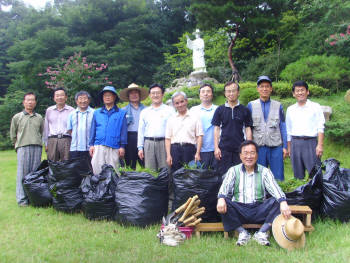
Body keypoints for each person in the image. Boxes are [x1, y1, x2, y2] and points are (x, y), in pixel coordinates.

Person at [217, 140, 291, 246]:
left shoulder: (265, 171)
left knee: (277, 201)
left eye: (252, 153)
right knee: (223, 202)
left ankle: (262, 233)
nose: (249, 156)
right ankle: (242, 233)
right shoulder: (233, 170)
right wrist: (221, 199)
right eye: (246, 153)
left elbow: (275, 189)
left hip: (259, 208)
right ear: (240, 155)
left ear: (257, 155)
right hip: (240, 209)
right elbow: (224, 188)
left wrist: (283, 202)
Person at [247, 76, 288, 181]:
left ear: (271, 89)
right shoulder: (251, 105)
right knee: (258, 176)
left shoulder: (278, 105)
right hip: (258, 147)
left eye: (267, 87)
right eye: (262, 86)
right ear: (258, 89)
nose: (264, 89)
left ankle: (278, 196)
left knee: (278, 176)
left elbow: (282, 126)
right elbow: (248, 128)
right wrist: (249, 146)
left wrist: (285, 147)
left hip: (275, 146)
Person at [286, 80, 325, 179]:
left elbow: (321, 127)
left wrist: (320, 145)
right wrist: (289, 148)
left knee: (315, 174)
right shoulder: (290, 109)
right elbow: (288, 130)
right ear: (293, 94)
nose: (300, 93)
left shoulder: (315, 107)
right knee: (298, 175)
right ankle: (300, 194)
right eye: (297, 91)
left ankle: (317, 194)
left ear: (307, 92)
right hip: (295, 143)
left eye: (302, 90)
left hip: (310, 143)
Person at [212, 81, 253, 176]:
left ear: (238, 92)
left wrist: (249, 147)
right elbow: (216, 129)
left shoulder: (245, 110)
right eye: (228, 91)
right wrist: (216, 148)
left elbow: (248, 129)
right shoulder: (219, 110)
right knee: (223, 175)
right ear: (225, 93)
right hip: (223, 149)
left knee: (241, 175)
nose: (231, 93)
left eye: (233, 91)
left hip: (240, 149)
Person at [10, 92, 44, 206]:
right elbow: (13, 134)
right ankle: (22, 200)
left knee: (34, 174)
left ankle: (33, 198)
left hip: (37, 147)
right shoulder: (17, 117)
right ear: (24, 102)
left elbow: (42, 132)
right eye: (28, 100)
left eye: (32, 100)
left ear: (35, 102)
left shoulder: (39, 117)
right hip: (23, 147)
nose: (30, 102)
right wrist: (17, 145)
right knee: (22, 173)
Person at [89, 86, 127, 175]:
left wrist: (122, 146)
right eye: (105, 95)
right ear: (102, 98)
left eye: (110, 95)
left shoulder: (121, 113)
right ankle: (98, 189)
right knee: (97, 170)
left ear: (114, 97)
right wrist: (91, 145)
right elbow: (93, 129)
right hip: (98, 145)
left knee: (114, 171)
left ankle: (113, 189)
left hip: (114, 146)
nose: (107, 97)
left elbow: (123, 131)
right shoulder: (97, 112)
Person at [137, 84, 175, 171]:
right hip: (149, 143)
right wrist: (140, 147)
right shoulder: (144, 112)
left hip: (164, 143)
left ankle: (166, 185)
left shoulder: (170, 110)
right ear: (149, 95)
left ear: (162, 94)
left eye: (158, 93)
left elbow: (174, 129)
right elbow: (141, 130)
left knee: (166, 170)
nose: (155, 95)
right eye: (153, 93)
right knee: (150, 172)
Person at [165, 91, 203, 173]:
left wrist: (198, 153)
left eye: (182, 101)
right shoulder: (171, 119)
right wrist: (168, 155)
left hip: (190, 149)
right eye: (177, 103)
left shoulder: (195, 117)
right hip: (175, 150)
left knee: (190, 174)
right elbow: (168, 138)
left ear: (186, 101)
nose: (180, 105)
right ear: (174, 105)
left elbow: (199, 136)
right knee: (175, 174)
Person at [120, 83, 148, 169]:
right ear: (128, 96)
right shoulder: (123, 111)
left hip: (143, 137)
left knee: (145, 163)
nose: (134, 95)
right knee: (130, 164)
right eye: (131, 93)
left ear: (139, 95)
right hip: (129, 137)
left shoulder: (146, 109)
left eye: (136, 93)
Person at [190, 83, 218, 169]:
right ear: (199, 95)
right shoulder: (193, 110)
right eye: (203, 92)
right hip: (198, 150)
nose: (205, 94)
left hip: (215, 149)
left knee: (215, 175)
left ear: (212, 94)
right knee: (200, 176)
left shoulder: (218, 109)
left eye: (208, 91)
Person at [43, 87, 74, 161]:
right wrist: (46, 143)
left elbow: (74, 129)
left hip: (67, 140)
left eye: (62, 95)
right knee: (52, 164)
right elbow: (46, 128)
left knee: (67, 164)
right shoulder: (49, 110)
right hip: (52, 140)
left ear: (66, 97)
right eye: (57, 95)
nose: (59, 97)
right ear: (54, 98)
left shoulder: (72, 110)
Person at [67, 91, 94, 161]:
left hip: (90, 148)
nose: (83, 101)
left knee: (90, 170)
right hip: (75, 148)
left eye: (85, 98)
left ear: (89, 100)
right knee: (75, 170)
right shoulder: (71, 114)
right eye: (80, 98)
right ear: (76, 101)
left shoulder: (94, 113)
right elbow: (70, 131)